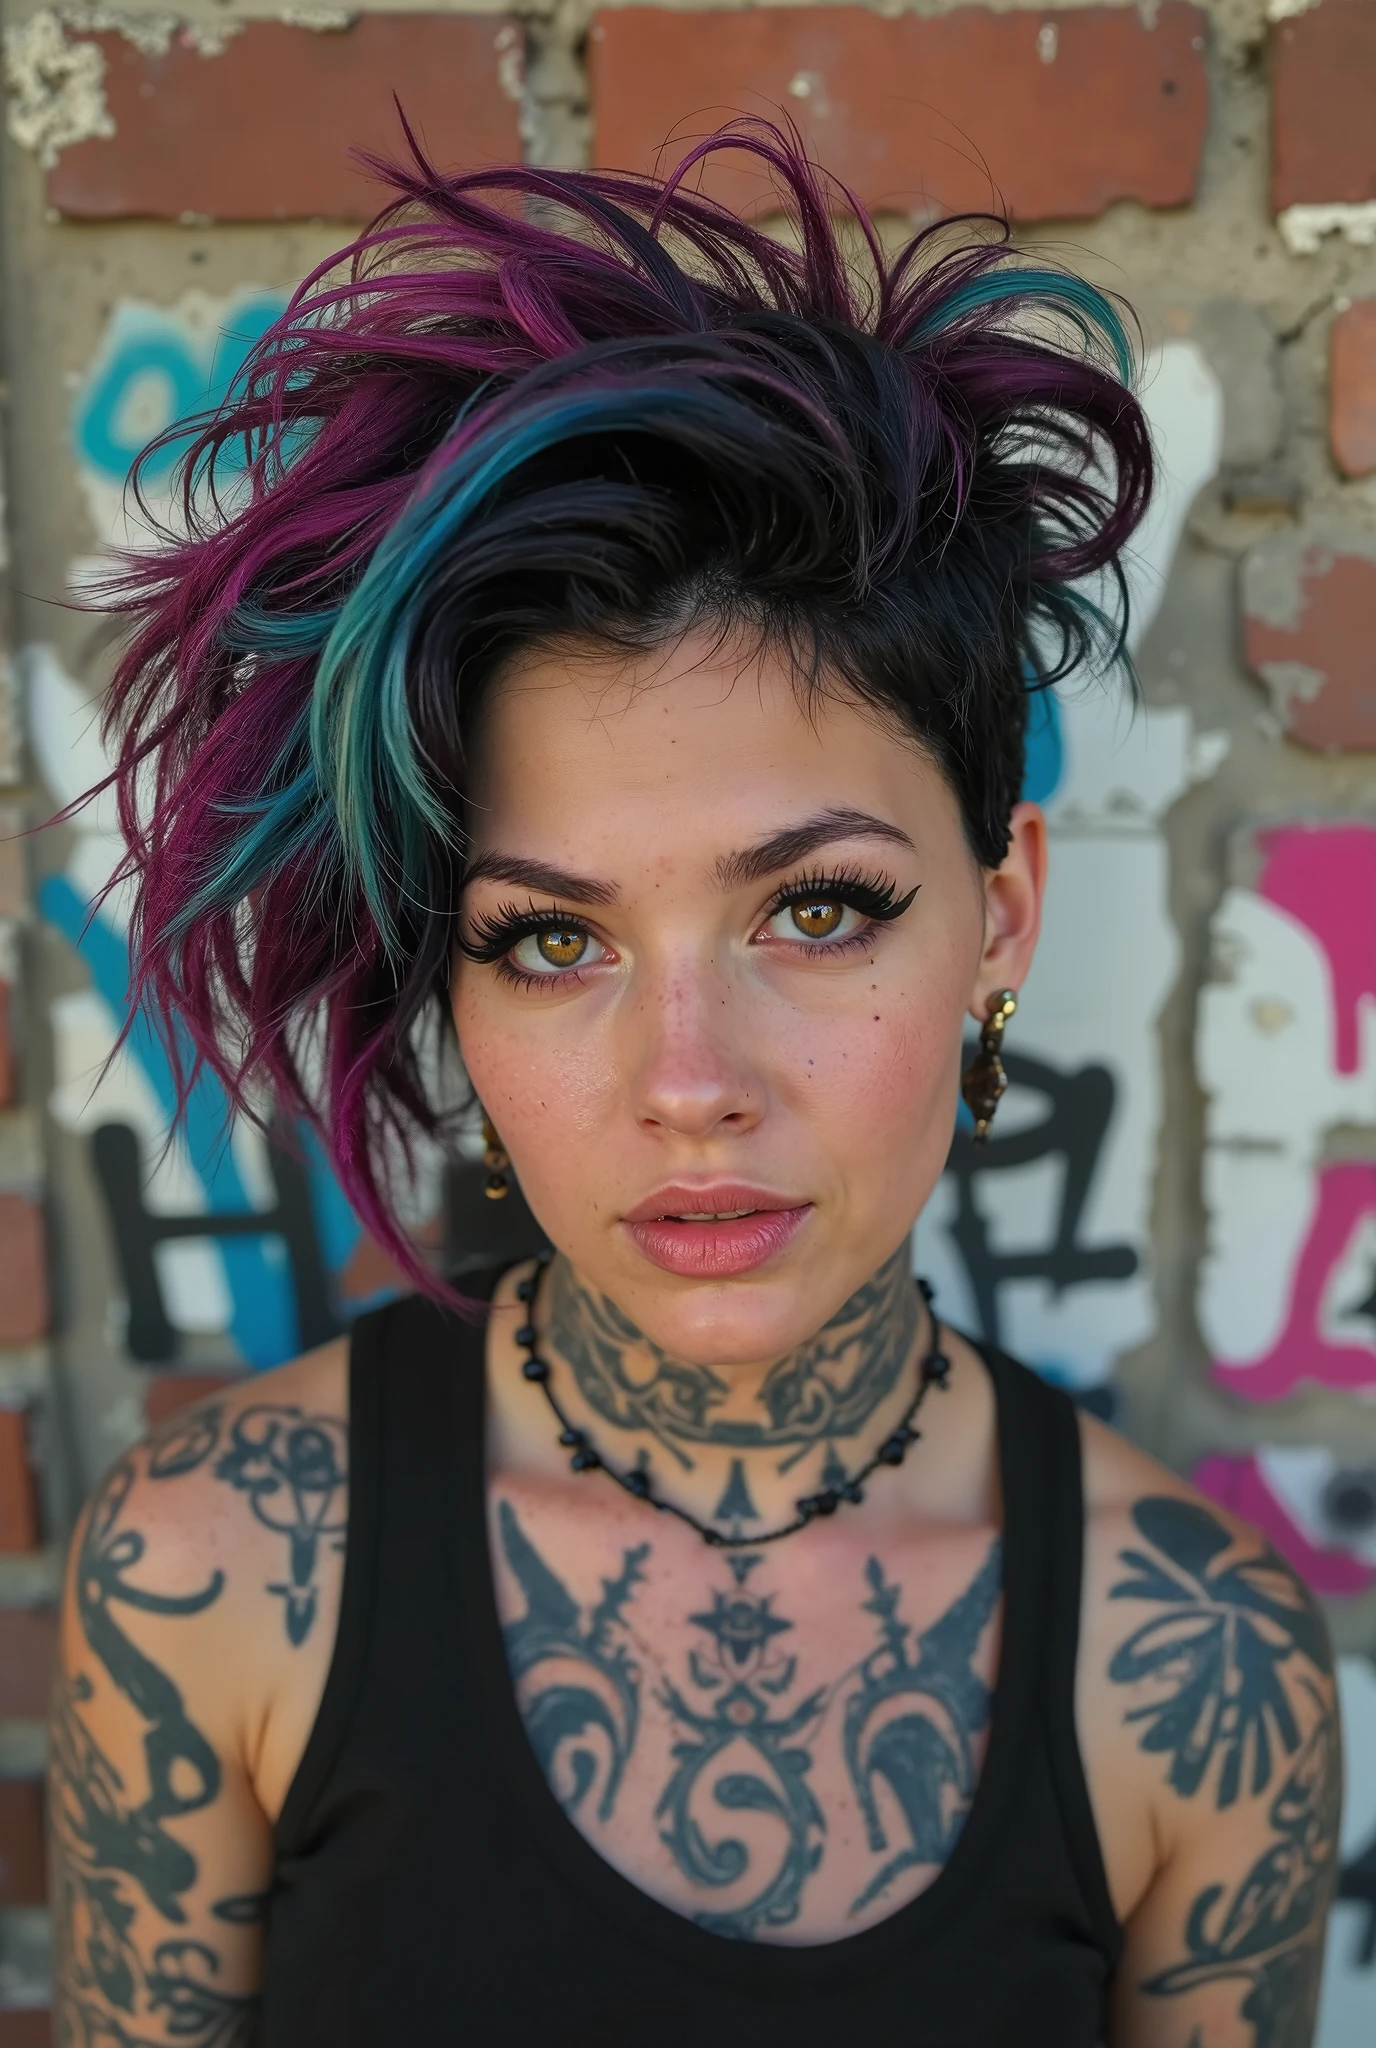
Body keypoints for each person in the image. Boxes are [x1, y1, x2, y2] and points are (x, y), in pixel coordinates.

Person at [50, 125, 1339, 2048]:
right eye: (551, 940)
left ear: (999, 922)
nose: (688, 1084)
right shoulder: (207, 1578)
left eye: (816, 911)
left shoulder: (1204, 1675)